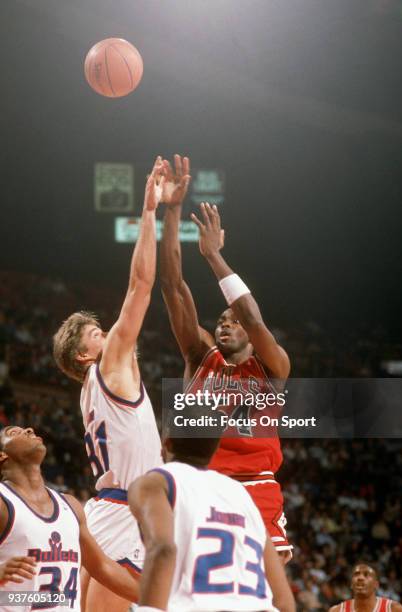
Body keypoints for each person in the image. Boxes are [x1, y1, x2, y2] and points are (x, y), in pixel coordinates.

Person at [160, 156, 292, 561]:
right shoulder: (201, 356)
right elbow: (171, 285)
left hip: (255, 483)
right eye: (221, 320)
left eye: (233, 322)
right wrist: (173, 210)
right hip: (200, 477)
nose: (226, 324)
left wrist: (214, 257)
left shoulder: (273, 367)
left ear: (251, 336)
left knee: (259, 586)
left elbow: (252, 315)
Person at [53, 157, 165, 611]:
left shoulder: (89, 392)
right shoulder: (109, 365)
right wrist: (150, 211)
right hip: (120, 512)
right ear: (85, 355)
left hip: (111, 507)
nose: (111, 334)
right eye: (97, 334)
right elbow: (141, 284)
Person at [127, 405, 295, 612]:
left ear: (166, 442)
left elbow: (163, 549)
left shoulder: (156, 483)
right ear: (215, 449)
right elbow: (284, 601)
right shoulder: (241, 495)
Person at [0, 425, 140, 611]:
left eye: (28, 430)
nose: (28, 430)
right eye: (13, 432)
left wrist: (162, 598)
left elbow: (102, 567)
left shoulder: (70, 505)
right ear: (2, 456)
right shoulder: (3, 503)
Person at [329, 564, 402, 612]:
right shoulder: (337, 610)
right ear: (351, 584)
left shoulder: (393, 609)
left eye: (366, 575)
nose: (360, 578)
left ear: (376, 585)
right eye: (356, 574)